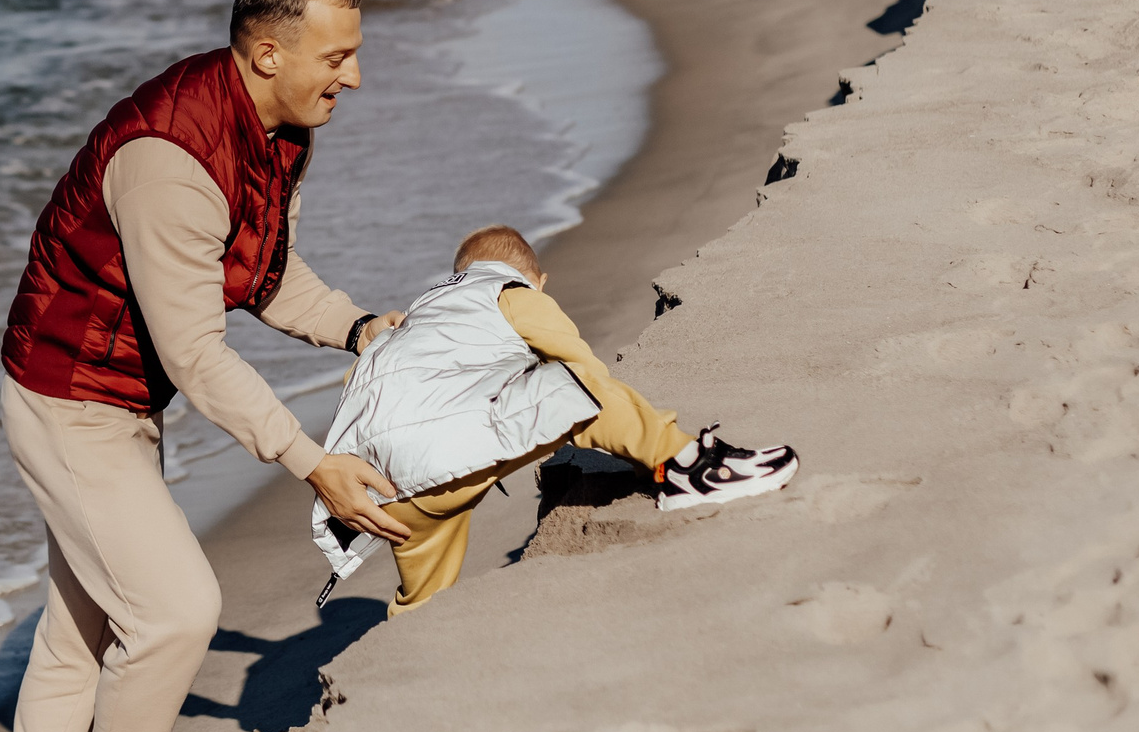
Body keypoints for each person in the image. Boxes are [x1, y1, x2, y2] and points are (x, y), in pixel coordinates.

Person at [0, 0, 409, 732]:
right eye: (337, 57)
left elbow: (260, 274)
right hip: (69, 399)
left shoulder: (277, 126)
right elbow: (197, 354)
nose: (354, 77)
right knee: (176, 609)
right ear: (268, 52)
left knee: (85, 620)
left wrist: (355, 326)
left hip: (121, 402)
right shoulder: (172, 160)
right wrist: (312, 464)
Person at [312, 224, 798, 616]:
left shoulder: (409, 321)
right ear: (538, 280)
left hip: (380, 491)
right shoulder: (509, 291)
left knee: (424, 594)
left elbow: (359, 393)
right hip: (443, 453)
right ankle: (685, 464)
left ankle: (403, 650)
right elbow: (582, 370)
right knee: (575, 387)